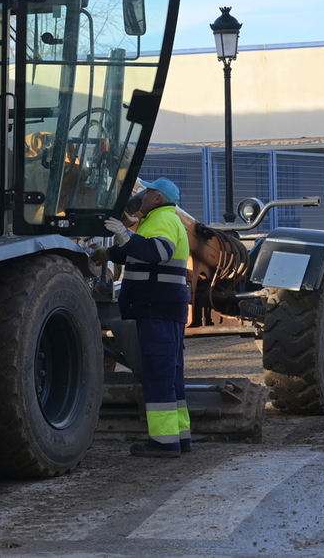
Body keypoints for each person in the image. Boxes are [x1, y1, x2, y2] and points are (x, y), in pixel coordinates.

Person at [104, 177, 191, 458]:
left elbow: (157, 252)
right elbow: (140, 253)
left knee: (158, 373)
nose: (141, 195)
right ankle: (180, 437)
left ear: (158, 198)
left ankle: (164, 443)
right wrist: (110, 252)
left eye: (148, 192)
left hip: (158, 309)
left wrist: (123, 235)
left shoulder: (163, 219)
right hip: (164, 308)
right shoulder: (160, 218)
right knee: (171, 373)